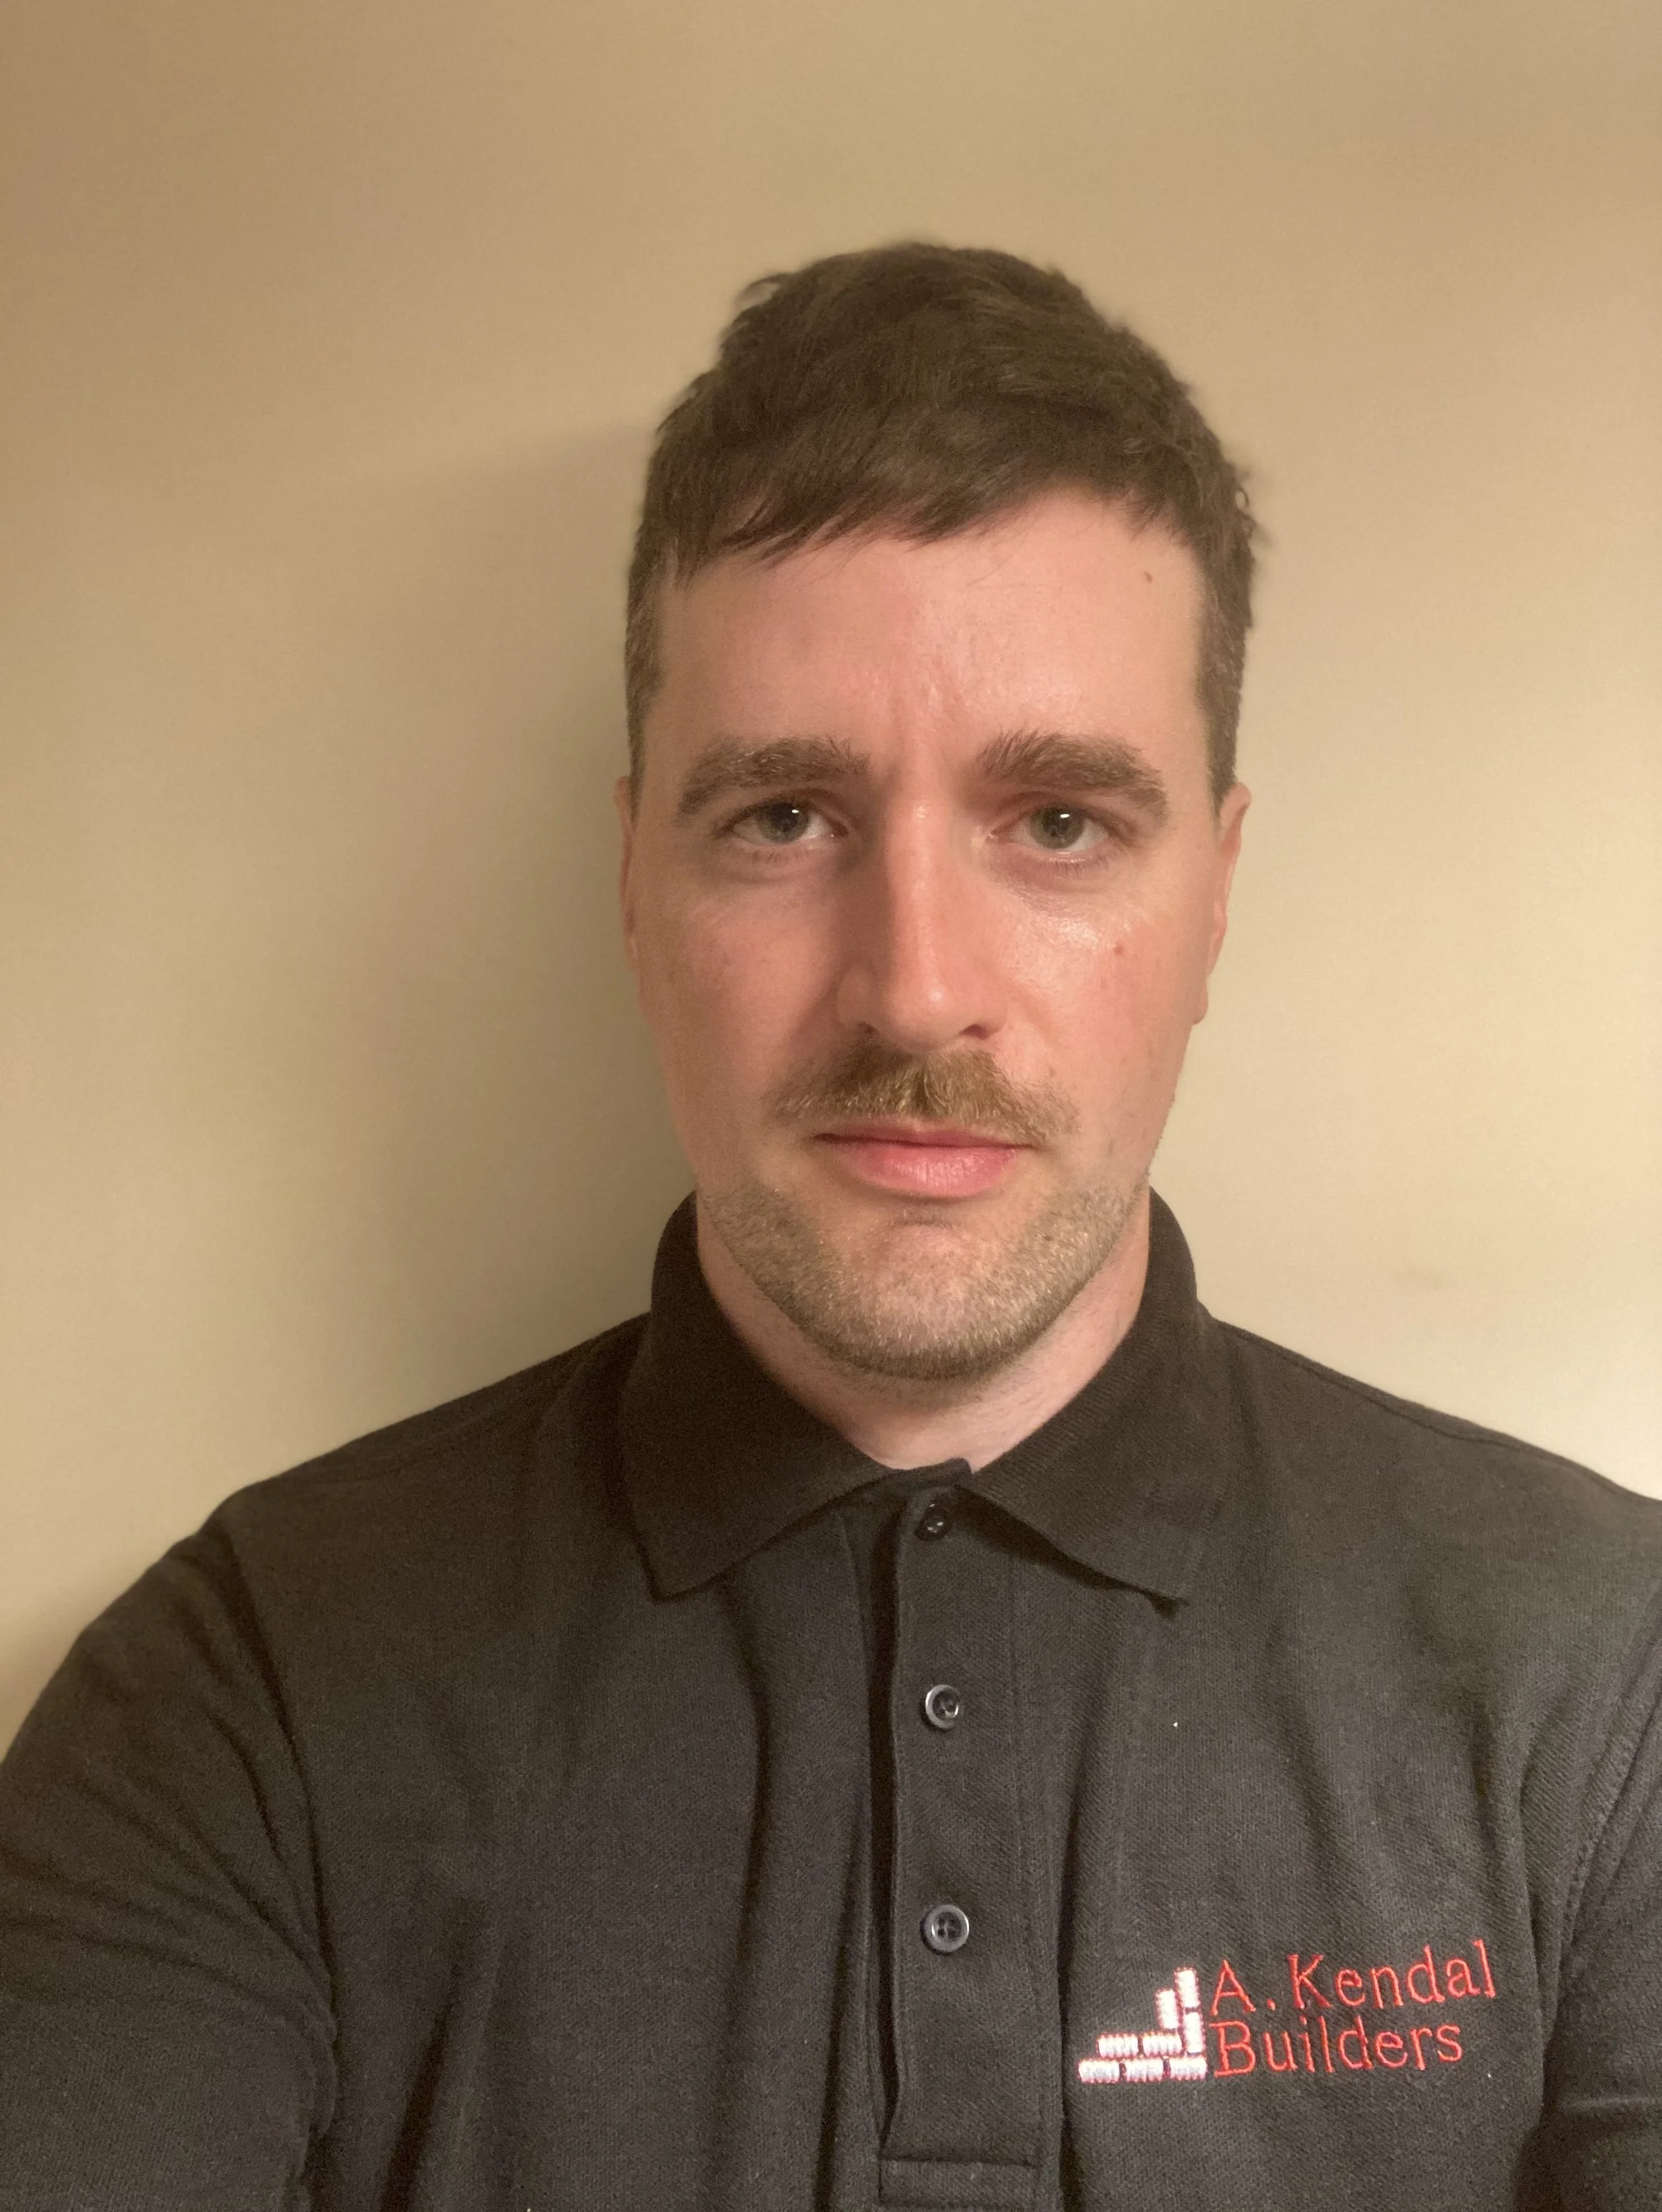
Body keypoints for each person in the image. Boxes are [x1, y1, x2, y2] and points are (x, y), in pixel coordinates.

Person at [1, 243, 1658, 2212]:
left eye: (1058, 823)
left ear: (1215, 894)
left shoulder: (1604, 1674)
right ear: (636, 876)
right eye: (784, 816)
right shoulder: (244, 1691)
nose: (910, 989)